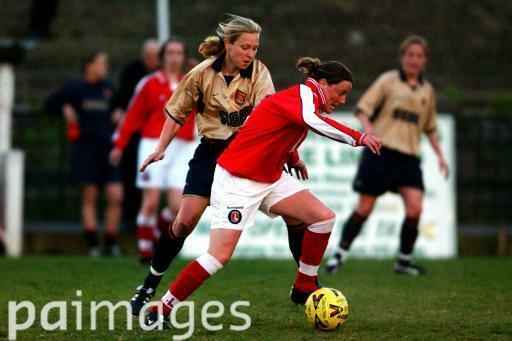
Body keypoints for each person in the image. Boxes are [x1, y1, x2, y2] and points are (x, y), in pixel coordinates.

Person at [143, 57, 382, 327]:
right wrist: (359, 137)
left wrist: (293, 158)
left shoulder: (304, 100)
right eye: (341, 93)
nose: (342, 100)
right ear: (323, 83)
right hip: (238, 179)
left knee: (323, 217)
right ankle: (160, 310)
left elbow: (273, 130)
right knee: (218, 255)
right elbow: (310, 120)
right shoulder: (304, 95)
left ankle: (304, 285)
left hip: (269, 176)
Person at [129, 14, 309, 316]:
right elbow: (176, 113)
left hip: (246, 155)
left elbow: (272, 117)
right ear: (228, 44)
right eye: (245, 47)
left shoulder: (258, 73)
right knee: (183, 222)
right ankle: (149, 284)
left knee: (296, 216)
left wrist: (291, 155)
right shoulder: (200, 74)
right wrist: (160, 149)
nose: (251, 54)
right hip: (210, 154)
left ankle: (306, 286)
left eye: (255, 48)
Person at [325, 36, 449, 276]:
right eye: (410, 55)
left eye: (419, 56)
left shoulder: (427, 90)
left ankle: (403, 261)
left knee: (415, 209)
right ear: (403, 57)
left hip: (409, 159)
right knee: (364, 209)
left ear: (425, 60)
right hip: (380, 153)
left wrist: (441, 156)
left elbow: (430, 127)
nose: (414, 60)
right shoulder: (388, 81)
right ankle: (338, 256)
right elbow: (363, 109)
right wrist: (369, 130)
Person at [110, 38, 196, 264]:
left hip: (182, 146)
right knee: (150, 201)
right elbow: (132, 116)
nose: (174, 57)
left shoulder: (191, 82)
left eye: (179, 53)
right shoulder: (149, 83)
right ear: (162, 57)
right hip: (152, 144)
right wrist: (119, 144)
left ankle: (156, 235)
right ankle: (145, 251)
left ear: (184, 57)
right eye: (170, 53)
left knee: (178, 206)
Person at [55, 51, 124, 256]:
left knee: (115, 195)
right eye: (102, 63)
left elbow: (123, 105)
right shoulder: (76, 88)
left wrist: (119, 112)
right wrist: (65, 108)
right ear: (89, 65)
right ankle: (93, 244)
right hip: (85, 147)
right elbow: (51, 102)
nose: (105, 67)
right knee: (90, 195)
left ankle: (111, 243)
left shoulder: (109, 89)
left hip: (108, 147)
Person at [117, 39, 160, 231]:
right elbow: (128, 106)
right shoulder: (136, 76)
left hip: (161, 137)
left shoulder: (169, 77)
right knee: (137, 178)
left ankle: (159, 226)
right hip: (141, 135)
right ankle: (133, 219)